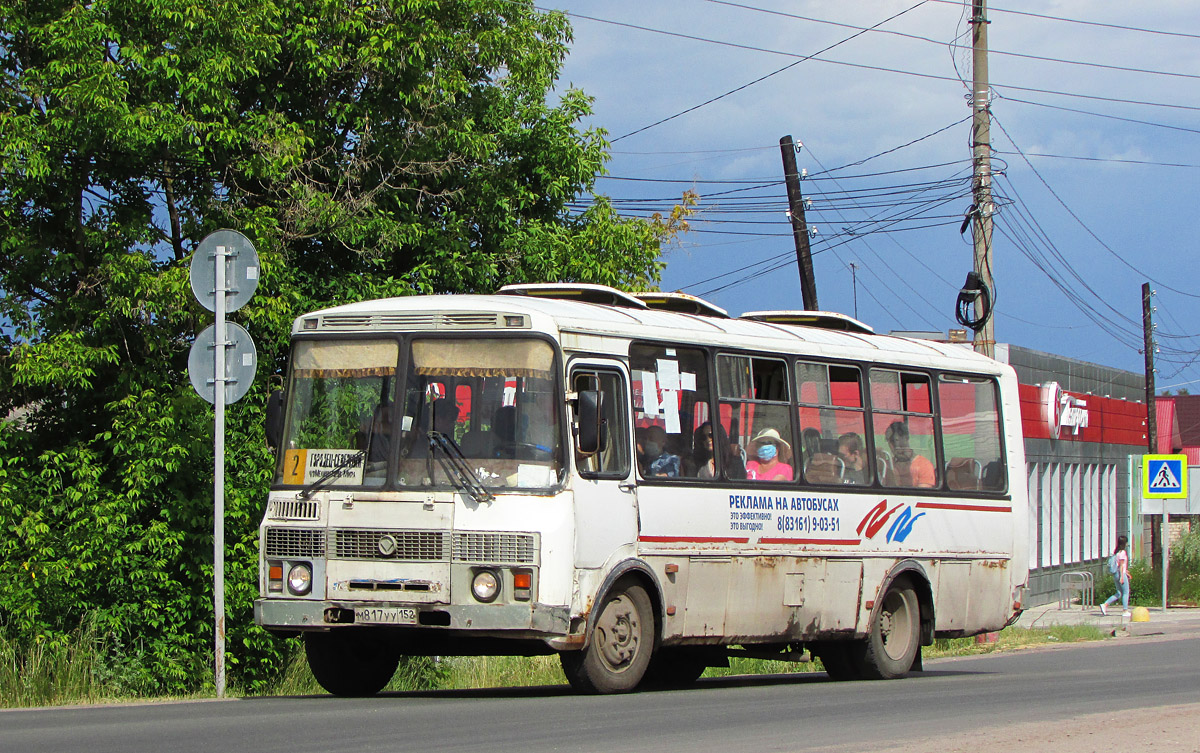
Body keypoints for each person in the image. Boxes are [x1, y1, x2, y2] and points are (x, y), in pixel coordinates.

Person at [885, 420, 935, 488]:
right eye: (890, 441)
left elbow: (924, 495)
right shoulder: (887, 465)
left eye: (894, 440)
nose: (893, 445)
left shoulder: (923, 465)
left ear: (906, 438)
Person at [1101, 535, 1131, 617]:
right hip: (1120, 574)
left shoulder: (1117, 553)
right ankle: (1125, 610)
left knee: (1119, 593)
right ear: (1124, 543)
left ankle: (1105, 604)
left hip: (1116, 574)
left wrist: (1126, 572)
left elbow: (1120, 565)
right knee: (1126, 592)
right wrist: (1122, 576)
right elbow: (1121, 566)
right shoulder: (1123, 553)